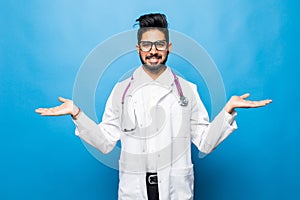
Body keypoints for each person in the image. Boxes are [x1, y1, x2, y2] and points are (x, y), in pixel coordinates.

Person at [35, 13, 272, 200]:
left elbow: (205, 143)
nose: (153, 51)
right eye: (146, 45)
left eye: (159, 44)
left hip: (175, 188)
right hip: (134, 189)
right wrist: (77, 114)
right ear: (138, 49)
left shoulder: (188, 90)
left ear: (169, 47)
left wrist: (228, 111)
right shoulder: (121, 91)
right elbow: (105, 142)